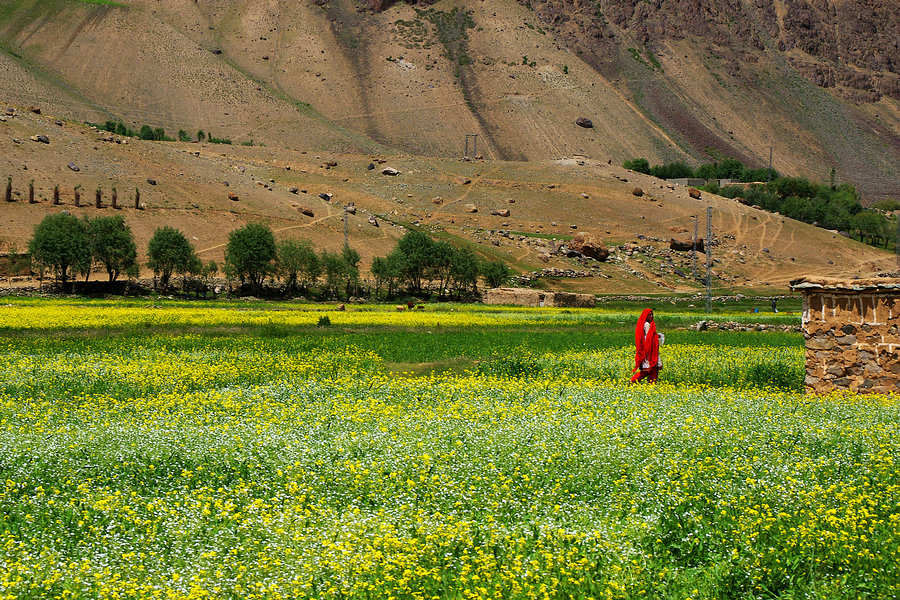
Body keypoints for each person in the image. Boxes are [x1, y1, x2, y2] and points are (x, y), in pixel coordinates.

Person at [630, 308, 664, 383]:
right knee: (649, 369)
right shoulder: (647, 325)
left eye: (652, 315)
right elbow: (649, 337)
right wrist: (657, 337)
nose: (651, 316)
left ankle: (651, 384)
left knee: (653, 368)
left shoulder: (647, 324)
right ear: (645, 316)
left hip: (651, 349)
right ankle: (633, 381)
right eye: (649, 315)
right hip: (649, 350)